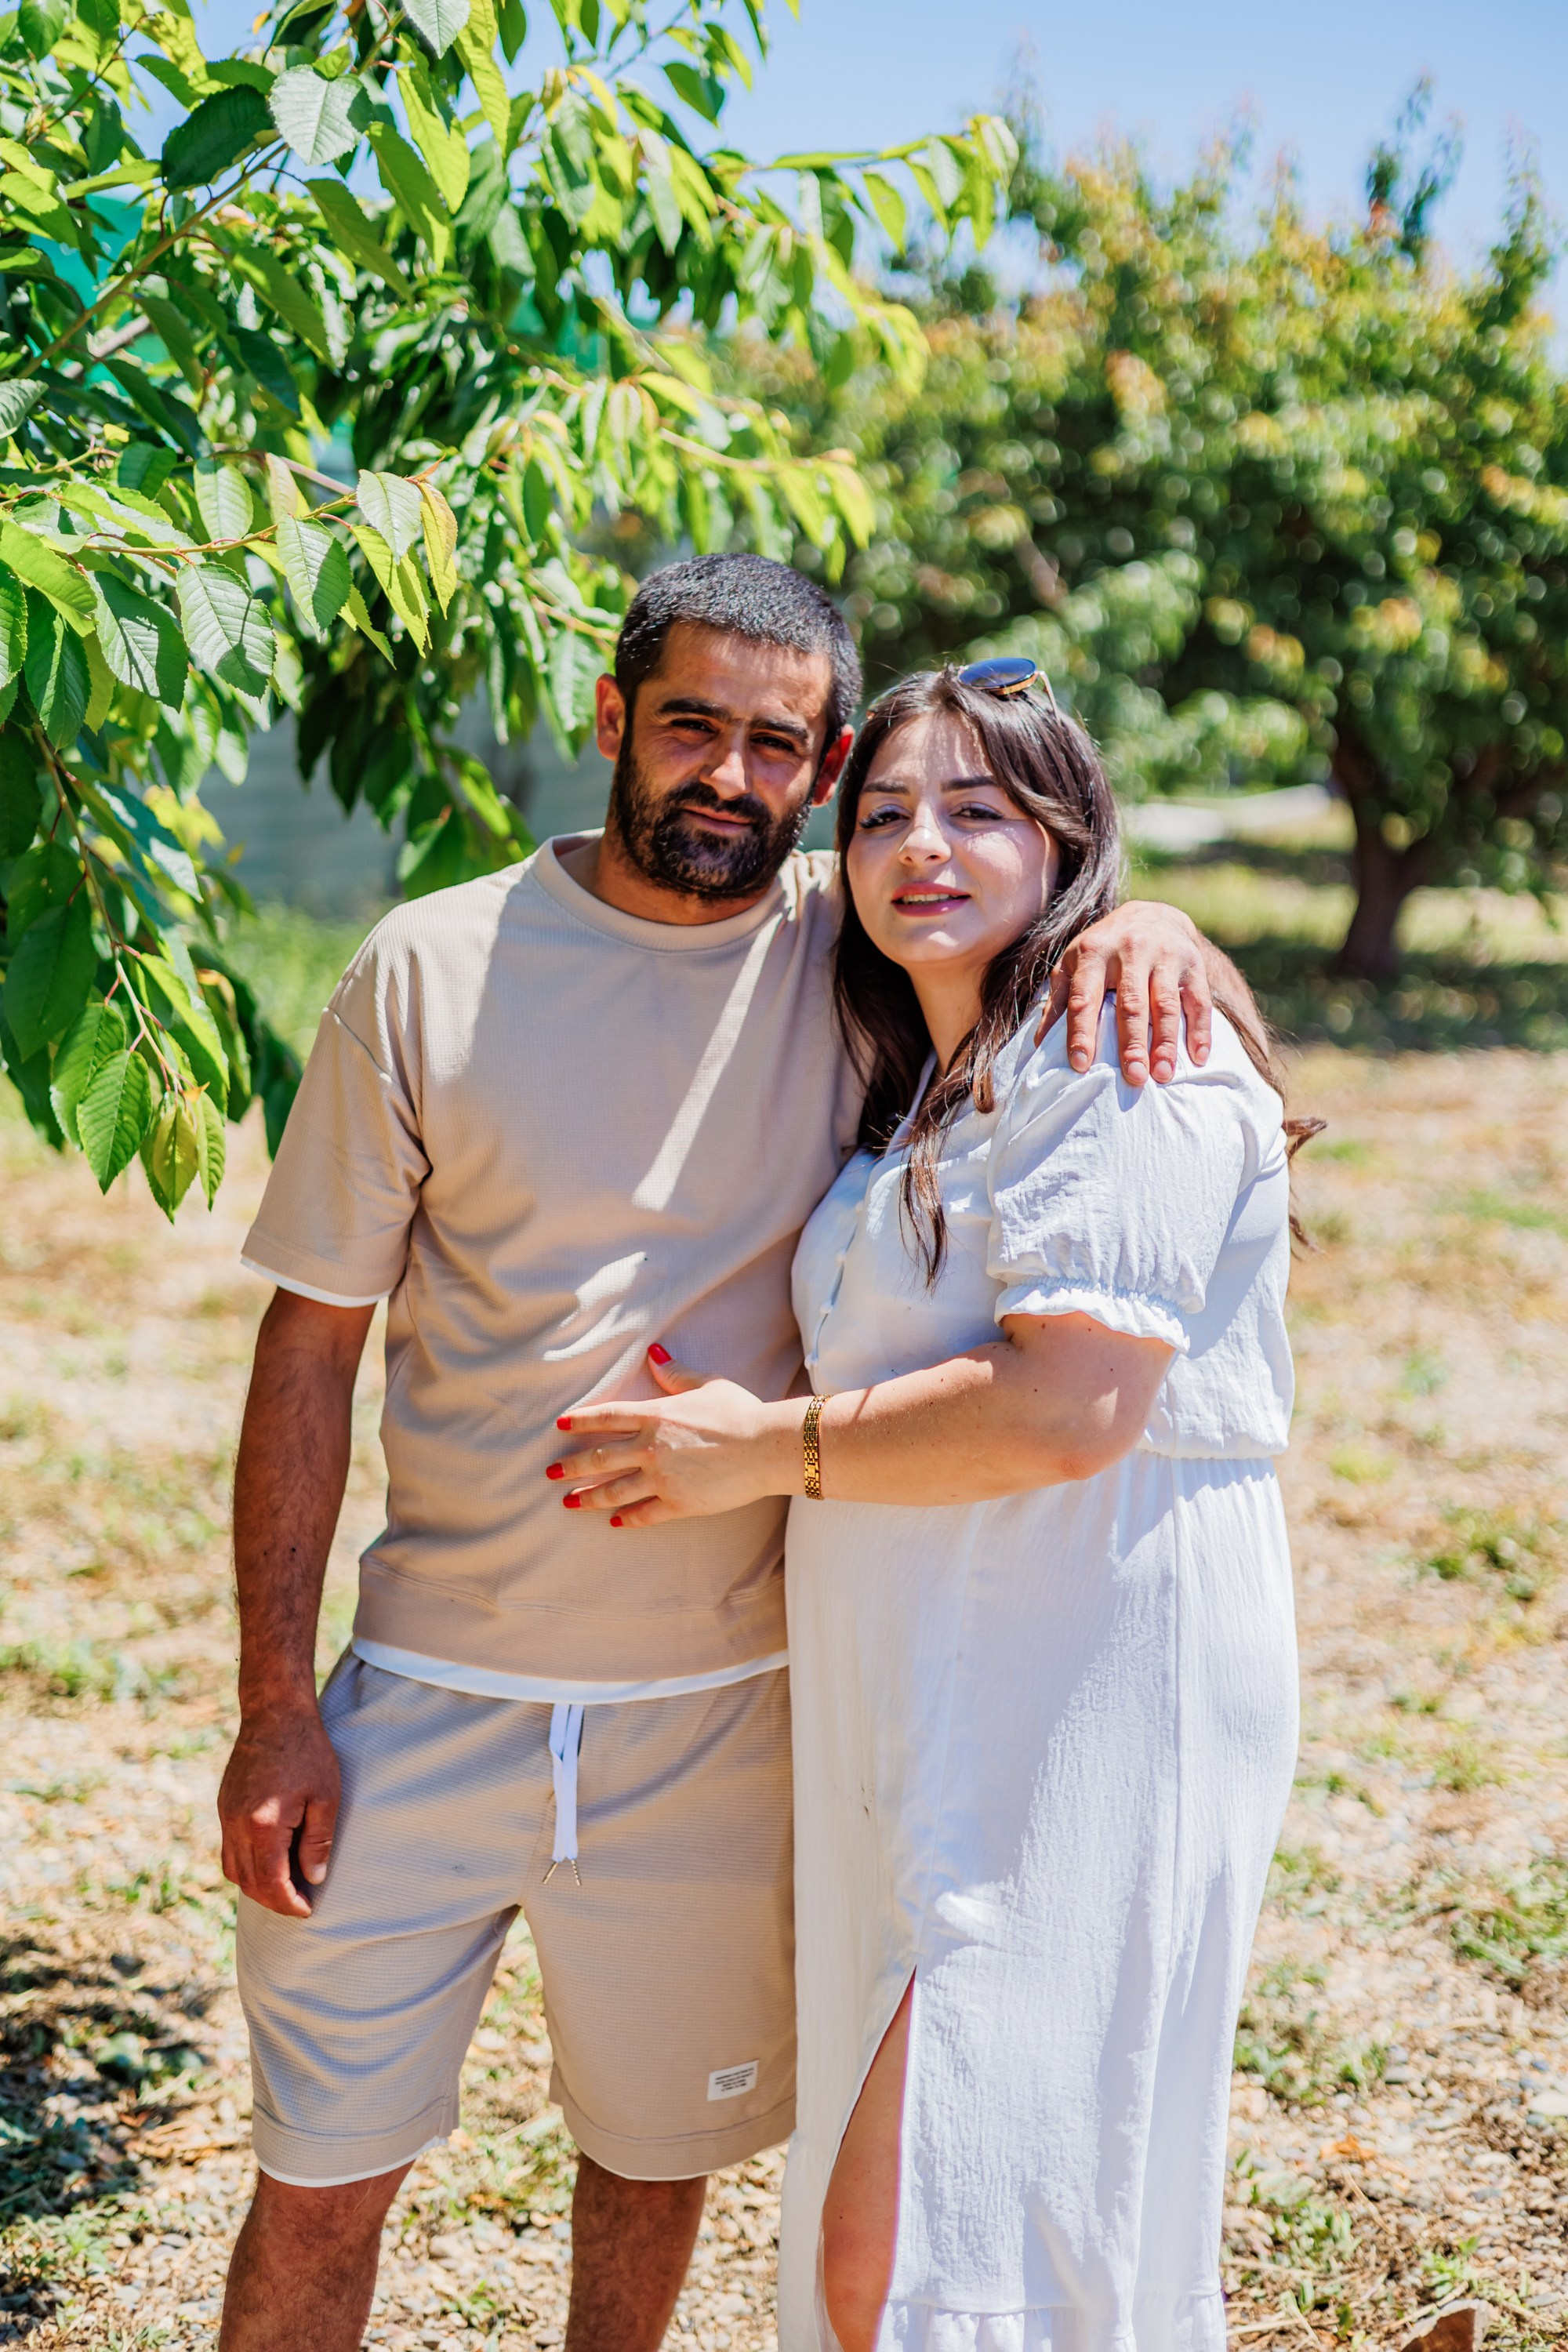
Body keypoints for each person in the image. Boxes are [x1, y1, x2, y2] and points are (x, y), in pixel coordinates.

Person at [216, 556, 1249, 2352]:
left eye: (779, 746)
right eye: (690, 725)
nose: (728, 775)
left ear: (820, 764)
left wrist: (1152, 923)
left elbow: (1033, 904)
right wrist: (273, 1704)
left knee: (654, 2169)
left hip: (720, 1717)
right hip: (423, 1695)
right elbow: (308, 1347)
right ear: (611, 719)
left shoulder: (851, 953)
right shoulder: (428, 967)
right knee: (315, 2187)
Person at [554, 658, 1303, 2352]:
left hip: (1079, 1674)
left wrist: (765, 1449)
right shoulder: (922, 1081)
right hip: (926, 1677)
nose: (922, 847)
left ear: (1067, 838)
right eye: (884, 811)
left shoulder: (1125, 1051)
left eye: (978, 808)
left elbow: (1069, 1403)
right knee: (930, 2194)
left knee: (931, 2226)